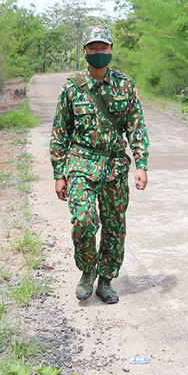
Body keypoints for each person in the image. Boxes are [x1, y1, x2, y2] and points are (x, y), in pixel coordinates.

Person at [50, 24, 149, 304]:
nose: (98, 53)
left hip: (115, 167)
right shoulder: (72, 86)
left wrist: (141, 164)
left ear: (111, 50)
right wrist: (60, 173)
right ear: (84, 51)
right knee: (84, 220)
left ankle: (106, 279)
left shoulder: (125, 85)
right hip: (81, 163)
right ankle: (86, 271)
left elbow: (136, 127)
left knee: (114, 225)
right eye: (93, 48)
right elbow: (60, 131)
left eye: (103, 48)